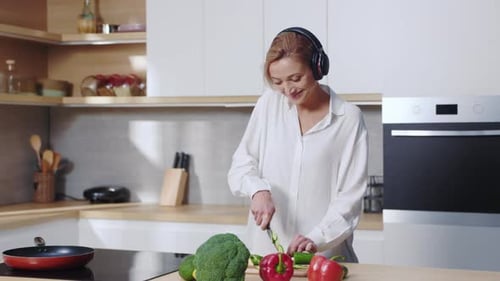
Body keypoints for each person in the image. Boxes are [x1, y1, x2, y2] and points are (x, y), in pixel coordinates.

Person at [227, 27, 368, 262]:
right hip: (266, 259)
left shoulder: (348, 118)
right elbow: (241, 164)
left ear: (317, 67)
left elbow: (350, 198)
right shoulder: (268, 105)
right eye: (278, 82)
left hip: (324, 260)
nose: (288, 89)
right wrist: (257, 189)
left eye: (295, 78)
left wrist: (316, 237)